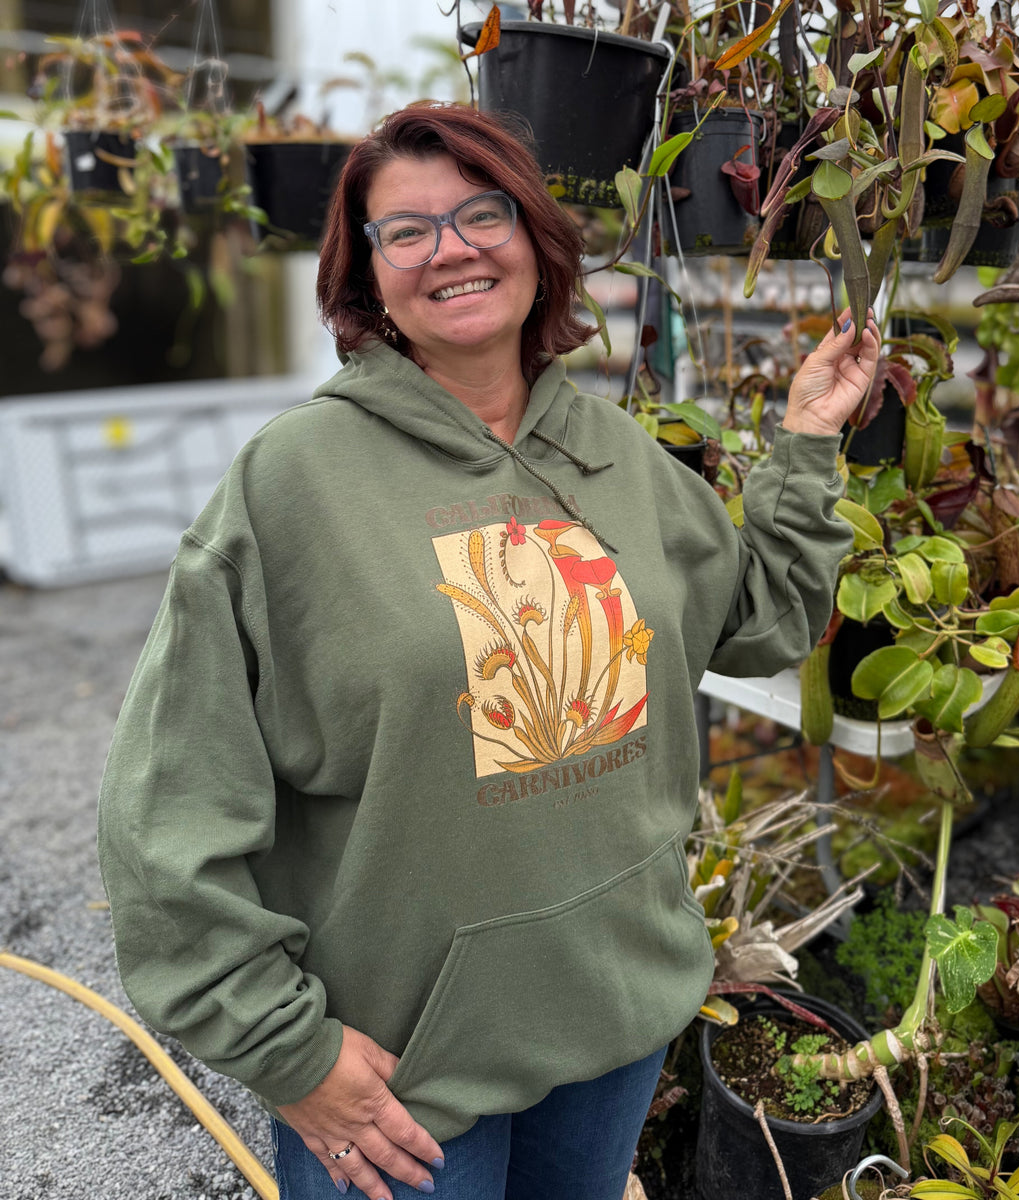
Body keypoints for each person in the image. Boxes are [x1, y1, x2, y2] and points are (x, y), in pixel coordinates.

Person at [96, 102, 881, 1200]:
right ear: (367, 275)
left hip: (612, 1022)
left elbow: (759, 618)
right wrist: (287, 1050)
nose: (451, 248)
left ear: (535, 239)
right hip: (402, 1078)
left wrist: (805, 441)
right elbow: (167, 811)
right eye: (406, 230)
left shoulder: (616, 454)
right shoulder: (292, 484)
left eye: (482, 213)